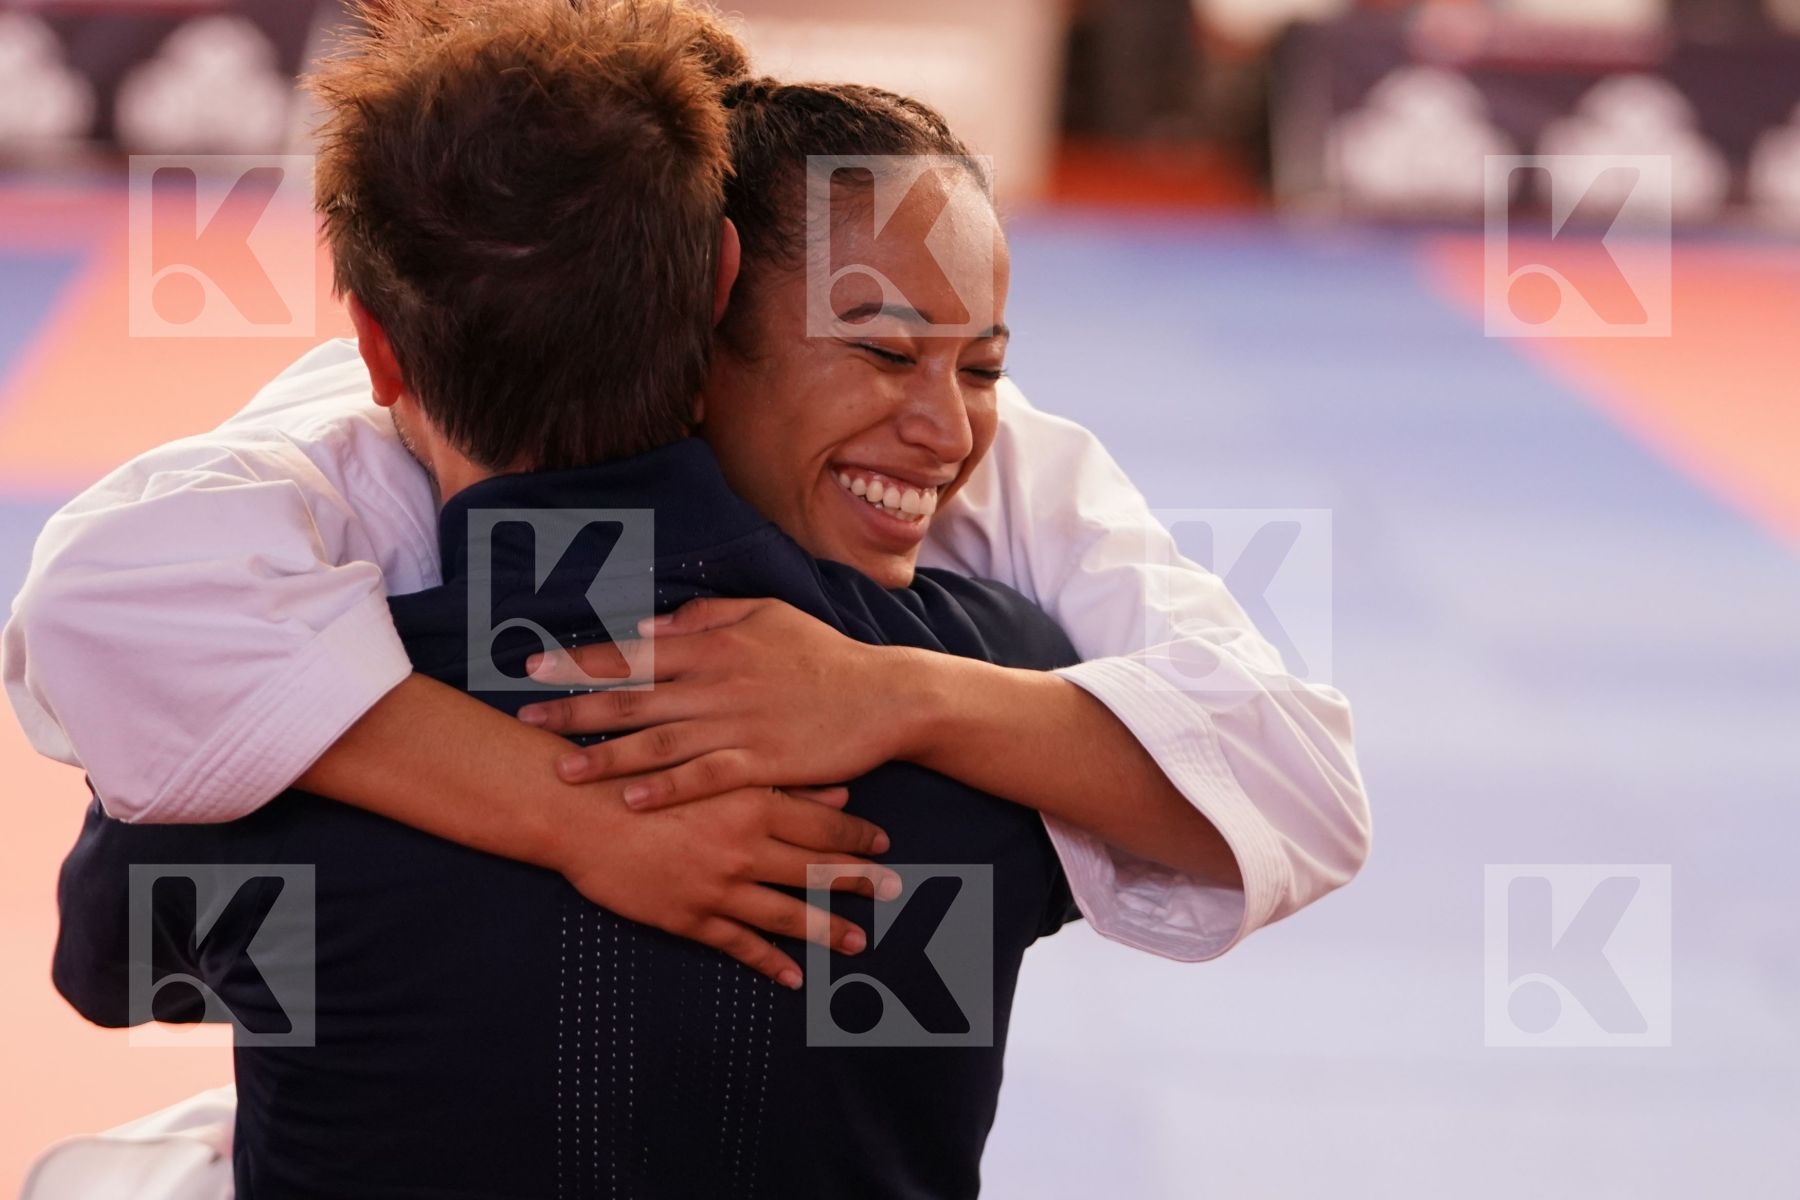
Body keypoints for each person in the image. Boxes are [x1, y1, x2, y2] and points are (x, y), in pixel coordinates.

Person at [4, 0, 1369, 980]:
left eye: (983, 365)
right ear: (707, 311)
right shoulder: (389, 443)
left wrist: (900, 692)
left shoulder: (982, 464)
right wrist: (567, 813)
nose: (941, 422)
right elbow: (86, 605)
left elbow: (1305, 789)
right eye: (880, 349)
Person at [57, 4, 1100, 1194]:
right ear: (722, 290)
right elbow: (1216, 801)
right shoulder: (1009, 693)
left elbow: (114, 977)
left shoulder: (242, 736)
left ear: (377, 349)